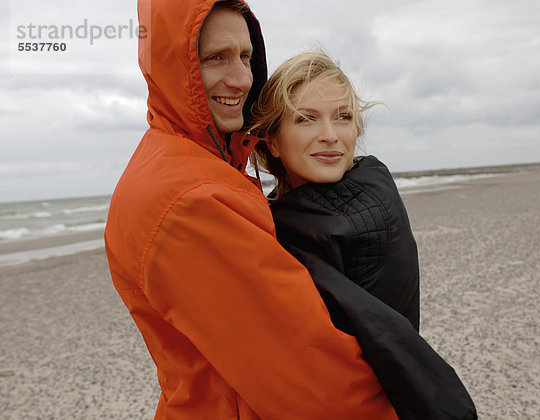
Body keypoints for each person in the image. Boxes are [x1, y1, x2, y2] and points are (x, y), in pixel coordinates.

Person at [104, 1, 399, 418]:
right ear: (175, 65)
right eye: (214, 58)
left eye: (245, 56)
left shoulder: (192, 163)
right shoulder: (192, 198)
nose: (242, 79)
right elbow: (313, 382)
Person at [251, 51, 478, 419]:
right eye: (307, 119)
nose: (330, 136)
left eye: (342, 117)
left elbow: (382, 333)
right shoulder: (276, 218)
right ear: (273, 140)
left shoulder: (364, 202)